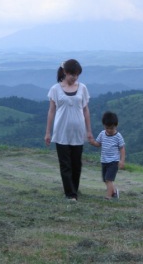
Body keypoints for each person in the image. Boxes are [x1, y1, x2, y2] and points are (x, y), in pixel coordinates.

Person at [45, 59, 93, 201]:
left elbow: (86, 110)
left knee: (76, 163)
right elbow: (51, 111)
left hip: (78, 131)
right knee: (65, 164)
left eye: (77, 75)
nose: (75, 77)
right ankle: (70, 194)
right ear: (65, 72)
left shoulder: (83, 88)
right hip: (61, 132)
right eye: (72, 74)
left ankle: (74, 190)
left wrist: (89, 131)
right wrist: (48, 132)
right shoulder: (55, 89)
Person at [89, 111, 126, 200]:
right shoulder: (102, 134)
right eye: (107, 128)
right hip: (104, 161)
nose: (109, 130)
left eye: (111, 128)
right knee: (105, 179)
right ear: (104, 125)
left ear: (116, 126)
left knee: (109, 179)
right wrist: (92, 142)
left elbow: (122, 149)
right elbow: (98, 144)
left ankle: (108, 196)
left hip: (113, 162)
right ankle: (114, 192)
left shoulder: (118, 136)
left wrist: (122, 161)